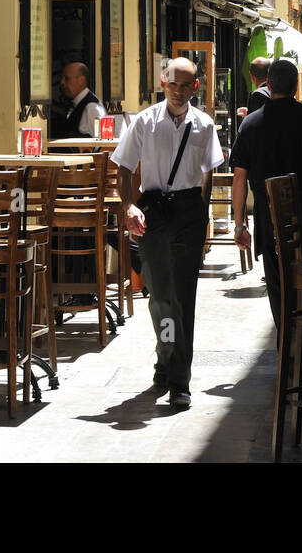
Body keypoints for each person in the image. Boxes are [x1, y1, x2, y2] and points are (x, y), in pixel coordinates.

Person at [113, 57, 224, 409]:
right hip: (154, 212)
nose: (178, 91)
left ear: (196, 87)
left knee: (183, 297)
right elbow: (124, 168)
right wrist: (130, 205)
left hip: (189, 212)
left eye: (186, 85)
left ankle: (179, 380)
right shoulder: (145, 122)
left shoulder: (205, 125)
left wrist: (202, 215)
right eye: (173, 84)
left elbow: (208, 173)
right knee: (160, 297)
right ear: (163, 82)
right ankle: (165, 355)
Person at [229, 57, 302, 329]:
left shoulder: (251, 124)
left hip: (269, 218)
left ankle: (286, 338)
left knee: (278, 282)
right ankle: (299, 331)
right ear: (295, 87)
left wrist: (239, 223)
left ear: (269, 85)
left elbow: (239, 177)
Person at [60, 62, 106, 138]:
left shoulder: (91, 107)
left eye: (67, 79)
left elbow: (101, 141)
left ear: (81, 80)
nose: (62, 82)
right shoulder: (75, 103)